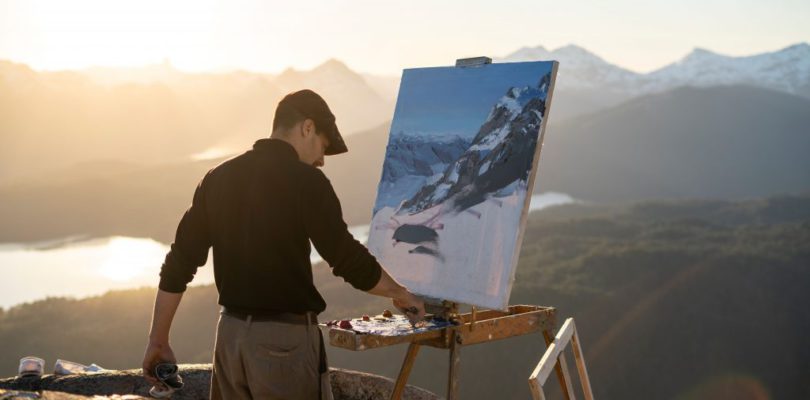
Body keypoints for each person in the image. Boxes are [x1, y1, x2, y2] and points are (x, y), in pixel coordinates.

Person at [141, 89, 426, 400]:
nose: (321, 160)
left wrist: (158, 339)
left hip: (230, 340)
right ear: (307, 127)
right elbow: (347, 259)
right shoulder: (307, 183)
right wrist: (399, 293)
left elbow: (179, 263)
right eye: (323, 145)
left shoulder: (217, 178)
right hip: (284, 347)